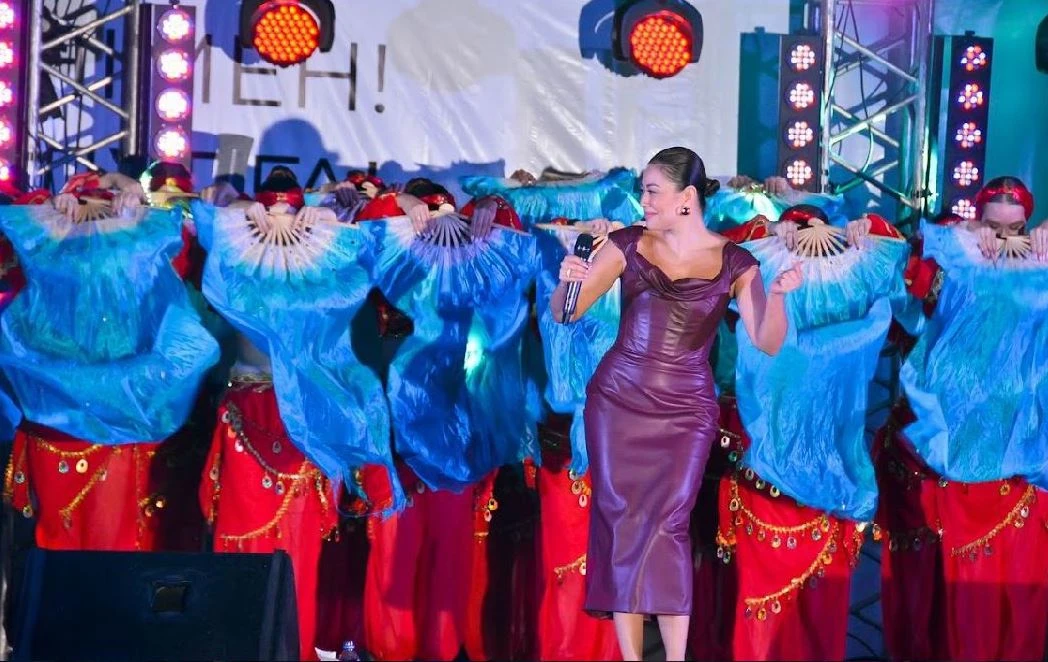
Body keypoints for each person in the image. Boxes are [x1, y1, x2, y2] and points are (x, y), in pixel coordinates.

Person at [551, 146, 802, 661]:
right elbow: (567, 314)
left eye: (652, 191)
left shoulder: (736, 261)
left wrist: (778, 296)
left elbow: (768, 340)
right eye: (642, 191)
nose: (643, 201)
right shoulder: (626, 244)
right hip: (619, 400)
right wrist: (566, 282)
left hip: (687, 409)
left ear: (686, 197)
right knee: (621, 519)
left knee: (670, 523)